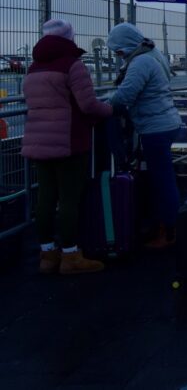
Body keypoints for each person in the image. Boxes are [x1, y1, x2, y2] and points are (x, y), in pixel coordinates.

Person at [22, 19, 113, 275]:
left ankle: (47, 254)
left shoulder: (33, 68)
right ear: (69, 38)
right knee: (69, 199)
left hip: (38, 141)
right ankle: (71, 255)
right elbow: (88, 105)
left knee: (45, 198)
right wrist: (110, 109)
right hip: (69, 141)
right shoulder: (73, 65)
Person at [107, 22, 182, 248]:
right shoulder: (152, 55)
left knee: (162, 179)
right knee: (161, 177)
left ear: (127, 45)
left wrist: (103, 105)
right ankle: (164, 225)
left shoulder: (141, 62)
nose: (118, 55)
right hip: (163, 123)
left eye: (118, 50)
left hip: (155, 127)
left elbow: (125, 95)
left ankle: (169, 231)